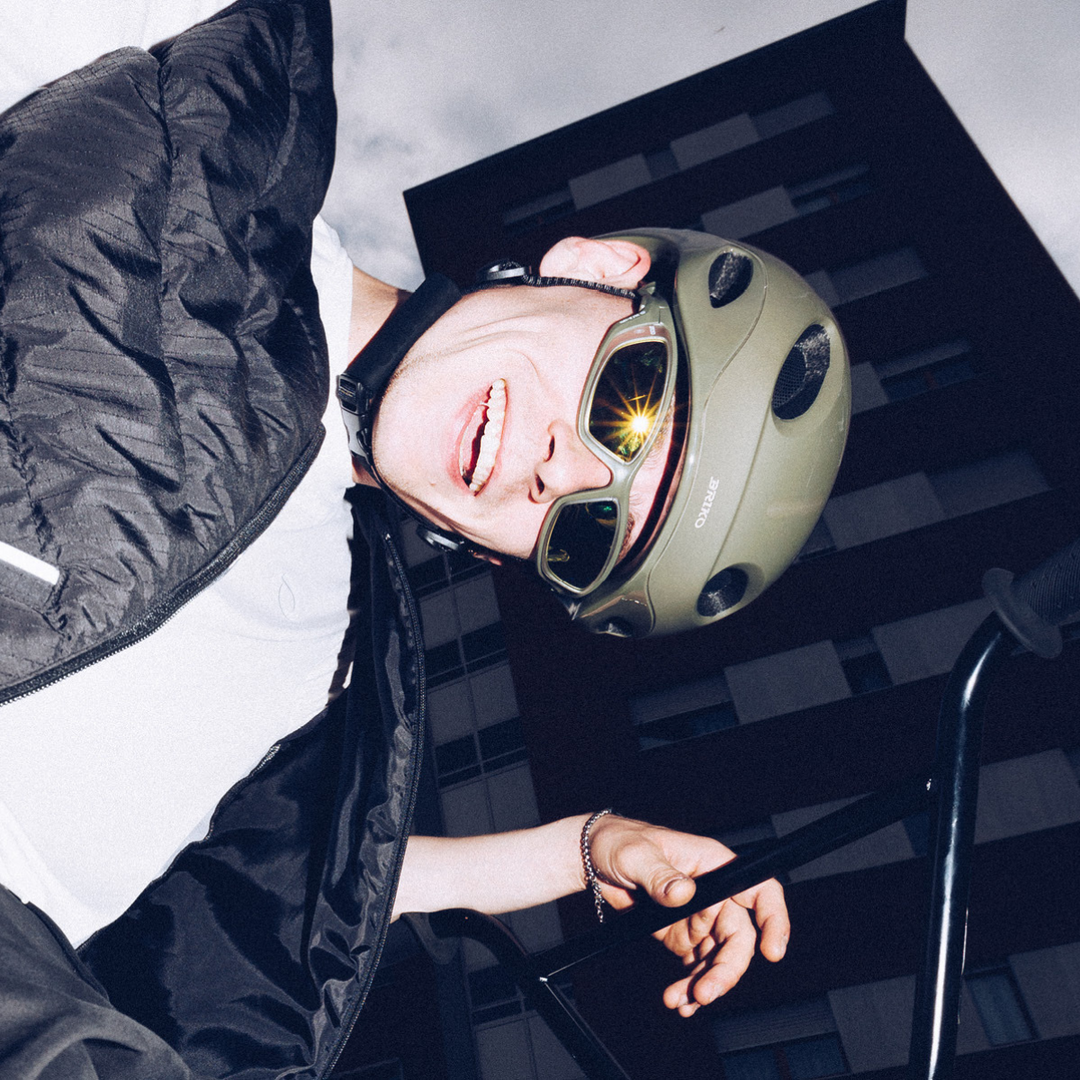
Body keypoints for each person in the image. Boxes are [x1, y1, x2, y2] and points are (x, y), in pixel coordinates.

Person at [0, 0, 848, 1076]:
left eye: (585, 534)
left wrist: (583, 847)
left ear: (503, 558)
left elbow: (296, 892)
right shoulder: (202, 96)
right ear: (594, 266)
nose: (560, 473)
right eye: (625, 403)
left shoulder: (328, 664)